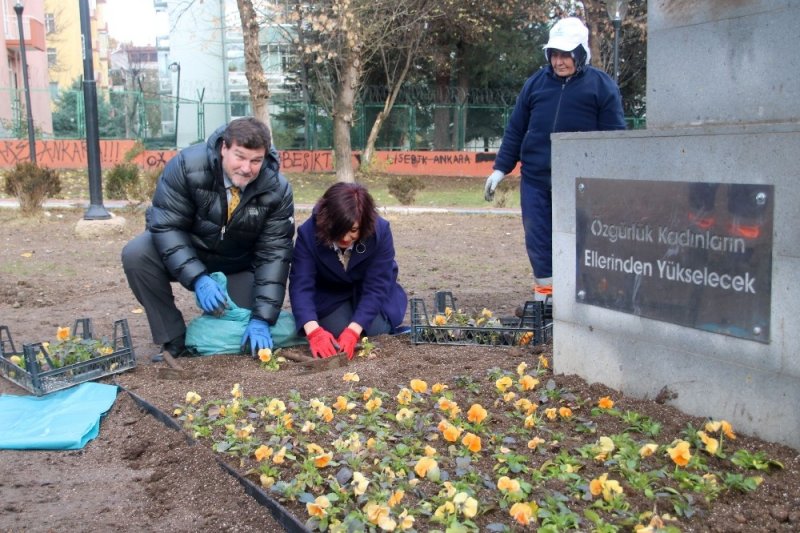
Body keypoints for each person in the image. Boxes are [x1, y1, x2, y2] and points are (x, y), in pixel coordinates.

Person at [121, 117, 294, 366]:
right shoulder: (186, 166)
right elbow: (167, 226)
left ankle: (219, 323)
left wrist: (262, 319)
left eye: (256, 160)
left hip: (237, 264)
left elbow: (275, 254)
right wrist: (198, 277)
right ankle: (173, 338)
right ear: (224, 148)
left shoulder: (277, 189)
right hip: (188, 250)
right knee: (137, 254)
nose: (247, 168)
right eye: (240, 156)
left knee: (247, 324)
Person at [484, 17, 626, 301]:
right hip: (536, 179)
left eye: (566, 55)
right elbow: (516, 128)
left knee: (582, 240)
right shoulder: (535, 83)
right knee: (538, 239)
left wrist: (612, 180)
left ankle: (584, 295)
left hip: (581, 183)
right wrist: (500, 169)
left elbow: (614, 139)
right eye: (554, 55)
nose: (559, 62)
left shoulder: (601, 86)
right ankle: (546, 296)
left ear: (581, 54)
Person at [289, 182, 407, 359]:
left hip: (368, 290)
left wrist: (354, 330)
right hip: (330, 293)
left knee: (373, 330)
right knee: (335, 331)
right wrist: (313, 332)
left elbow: (376, 285)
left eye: (353, 230)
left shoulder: (380, 231)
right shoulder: (308, 233)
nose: (345, 238)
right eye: (338, 230)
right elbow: (300, 284)